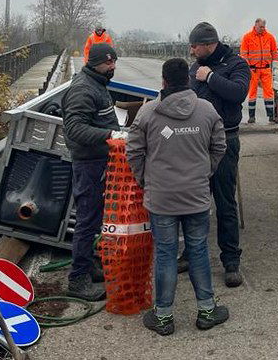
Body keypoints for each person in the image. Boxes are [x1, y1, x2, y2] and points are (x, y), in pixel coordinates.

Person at [127, 58, 229, 335]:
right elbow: (220, 146)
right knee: (198, 251)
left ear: (163, 81)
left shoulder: (148, 113)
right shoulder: (207, 111)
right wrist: (204, 173)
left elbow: (133, 152)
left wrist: (146, 180)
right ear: (190, 79)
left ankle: (163, 318)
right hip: (196, 196)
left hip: (161, 199)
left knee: (165, 254)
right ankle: (207, 311)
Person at [186, 21, 250, 287]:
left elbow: (238, 93)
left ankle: (231, 261)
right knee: (190, 202)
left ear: (209, 45)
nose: (191, 50)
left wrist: (210, 77)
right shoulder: (194, 67)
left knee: (224, 202)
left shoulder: (237, 65)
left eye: (195, 46)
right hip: (195, 142)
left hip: (224, 140)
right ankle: (189, 254)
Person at [61, 42, 121, 300]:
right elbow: (74, 129)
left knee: (96, 218)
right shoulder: (83, 89)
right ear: (96, 63)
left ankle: (89, 264)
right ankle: (78, 279)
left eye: (114, 62)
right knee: (86, 220)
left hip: (100, 162)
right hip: (89, 165)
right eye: (108, 63)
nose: (113, 67)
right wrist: (111, 134)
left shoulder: (97, 84)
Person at [240, 18, 278, 124]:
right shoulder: (247, 37)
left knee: (269, 92)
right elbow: (244, 55)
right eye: (261, 27)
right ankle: (252, 117)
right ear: (255, 25)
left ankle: (271, 116)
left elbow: (274, 53)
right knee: (252, 93)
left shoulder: (270, 37)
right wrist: (247, 67)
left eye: (263, 27)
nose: (262, 29)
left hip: (266, 69)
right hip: (253, 69)